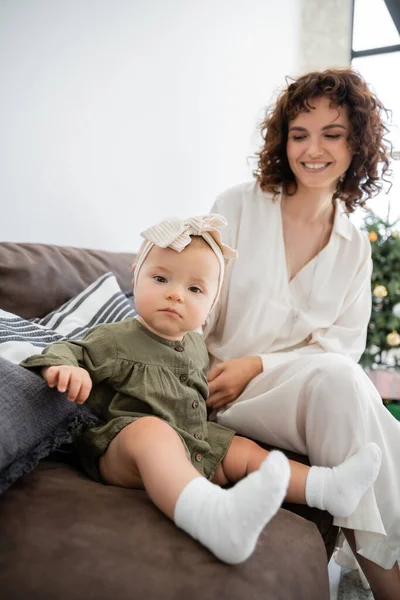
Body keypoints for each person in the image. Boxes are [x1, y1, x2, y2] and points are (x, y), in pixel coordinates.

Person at [21, 214, 381, 566]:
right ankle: (212, 516)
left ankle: (328, 489)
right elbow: (72, 350)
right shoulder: (117, 337)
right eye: (161, 278)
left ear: (212, 304)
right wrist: (67, 368)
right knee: (151, 431)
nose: (175, 295)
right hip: (122, 453)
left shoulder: (195, 346)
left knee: (241, 449)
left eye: (194, 289)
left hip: (193, 445)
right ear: (136, 278)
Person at [203, 68, 400, 597]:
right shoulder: (236, 208)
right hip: (223, 391)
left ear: (357, 144)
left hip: (304, 396)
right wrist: (234, 371)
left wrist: (262, 364)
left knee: (340, 383)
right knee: (341, 385)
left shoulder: (354, 245)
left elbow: (342, 348)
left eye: (332, 134)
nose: (313, 149)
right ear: (283, 140)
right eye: (300, 134)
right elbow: (196, 310)